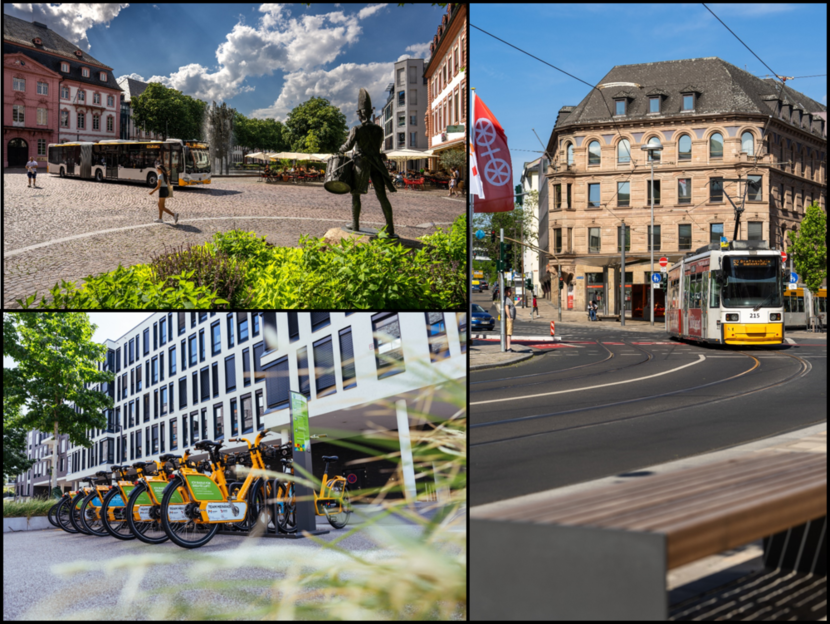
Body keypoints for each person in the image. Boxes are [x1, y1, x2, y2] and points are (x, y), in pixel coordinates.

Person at [339, 88, 397, 236]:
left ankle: (355, 224)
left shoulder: (356, 129)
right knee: (382, 196)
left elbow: (348, 146)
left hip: (362, 164)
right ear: (371, 112)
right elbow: (377, 147)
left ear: (359, 114)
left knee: (355, 194)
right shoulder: (379, 130)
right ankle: (390, 227)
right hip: (377, 164)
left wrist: (339, 149)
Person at [504, 287, 516, 351]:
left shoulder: (507, 298)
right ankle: (508, 348)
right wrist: (509, 317)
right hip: (508, 318)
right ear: (506, 291)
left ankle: (507, 347)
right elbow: (506, 308)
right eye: (509, 291)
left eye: (510, 291)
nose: (510, 292)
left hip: (508, 318)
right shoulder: (506, 299)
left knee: (507, 333)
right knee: (509, 333)